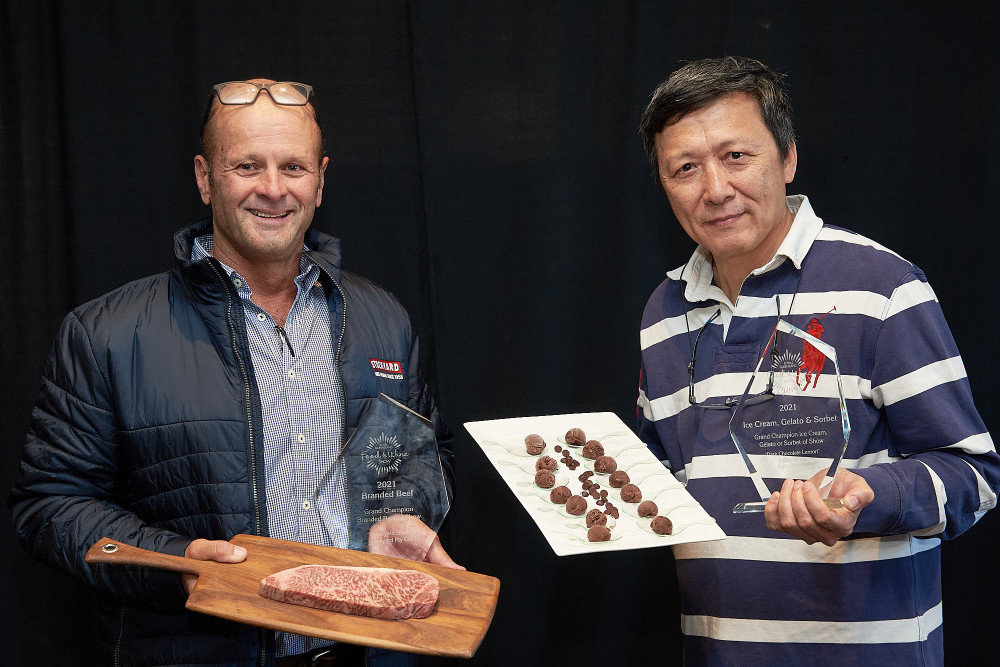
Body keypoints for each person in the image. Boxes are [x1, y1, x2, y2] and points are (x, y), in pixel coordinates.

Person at [9, 79, 458, 667]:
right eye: (248, 165)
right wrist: (177, 562)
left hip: (366, 651)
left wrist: (406, 509)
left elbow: (427, 453)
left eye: (293, 167)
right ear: (205, 178)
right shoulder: (105, 334)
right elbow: (50, 503)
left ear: (320, 181)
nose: (273, 190)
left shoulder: (385, 320)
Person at [635, 57, 999, 665]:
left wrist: (868, 497)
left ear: (788, 159)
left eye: (737, 157)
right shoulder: (662, 311)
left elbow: (974, 474)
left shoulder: (880, 286)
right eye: (685, 168)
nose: (715, 190)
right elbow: (665, 480)